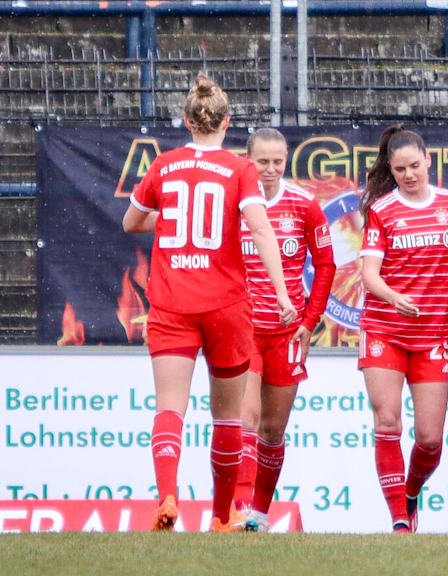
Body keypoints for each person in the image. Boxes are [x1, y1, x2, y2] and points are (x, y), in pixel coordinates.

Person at [122, 74, 296, 533]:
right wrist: (280, 294)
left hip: (172, 302)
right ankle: (222, 516)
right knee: (227, 415)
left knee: (169, 408)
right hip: (224, 304)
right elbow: (260, 230)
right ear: (228, 122)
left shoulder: (165, 165)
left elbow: (131, 221)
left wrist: (174, 218)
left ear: (186, 120)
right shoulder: (240, 170)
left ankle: (166, 497)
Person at [359, 125, 448, 533]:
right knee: (387, 421)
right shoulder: (382, 210)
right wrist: (395, 298)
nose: (409, 175)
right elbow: (369, 275)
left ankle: (410, 494)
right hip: (384, 328)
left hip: (432, 334)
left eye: (414, 166)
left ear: (429, 161)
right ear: (390, 170)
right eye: (399, 169)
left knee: (430, 440)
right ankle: (398, 521)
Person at [230, 128, 336, 532]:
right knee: (246, 419)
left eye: (278, 161)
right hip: (241, 328)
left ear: (287, 160)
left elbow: (326, 265)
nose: (270, 170)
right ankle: (236, 510)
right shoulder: (234, 202)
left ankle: (257, 514)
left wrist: (309, 321)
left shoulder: (305, 204)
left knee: (273, 430)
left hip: (286, 332)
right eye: (262, 162)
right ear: (248, 159)